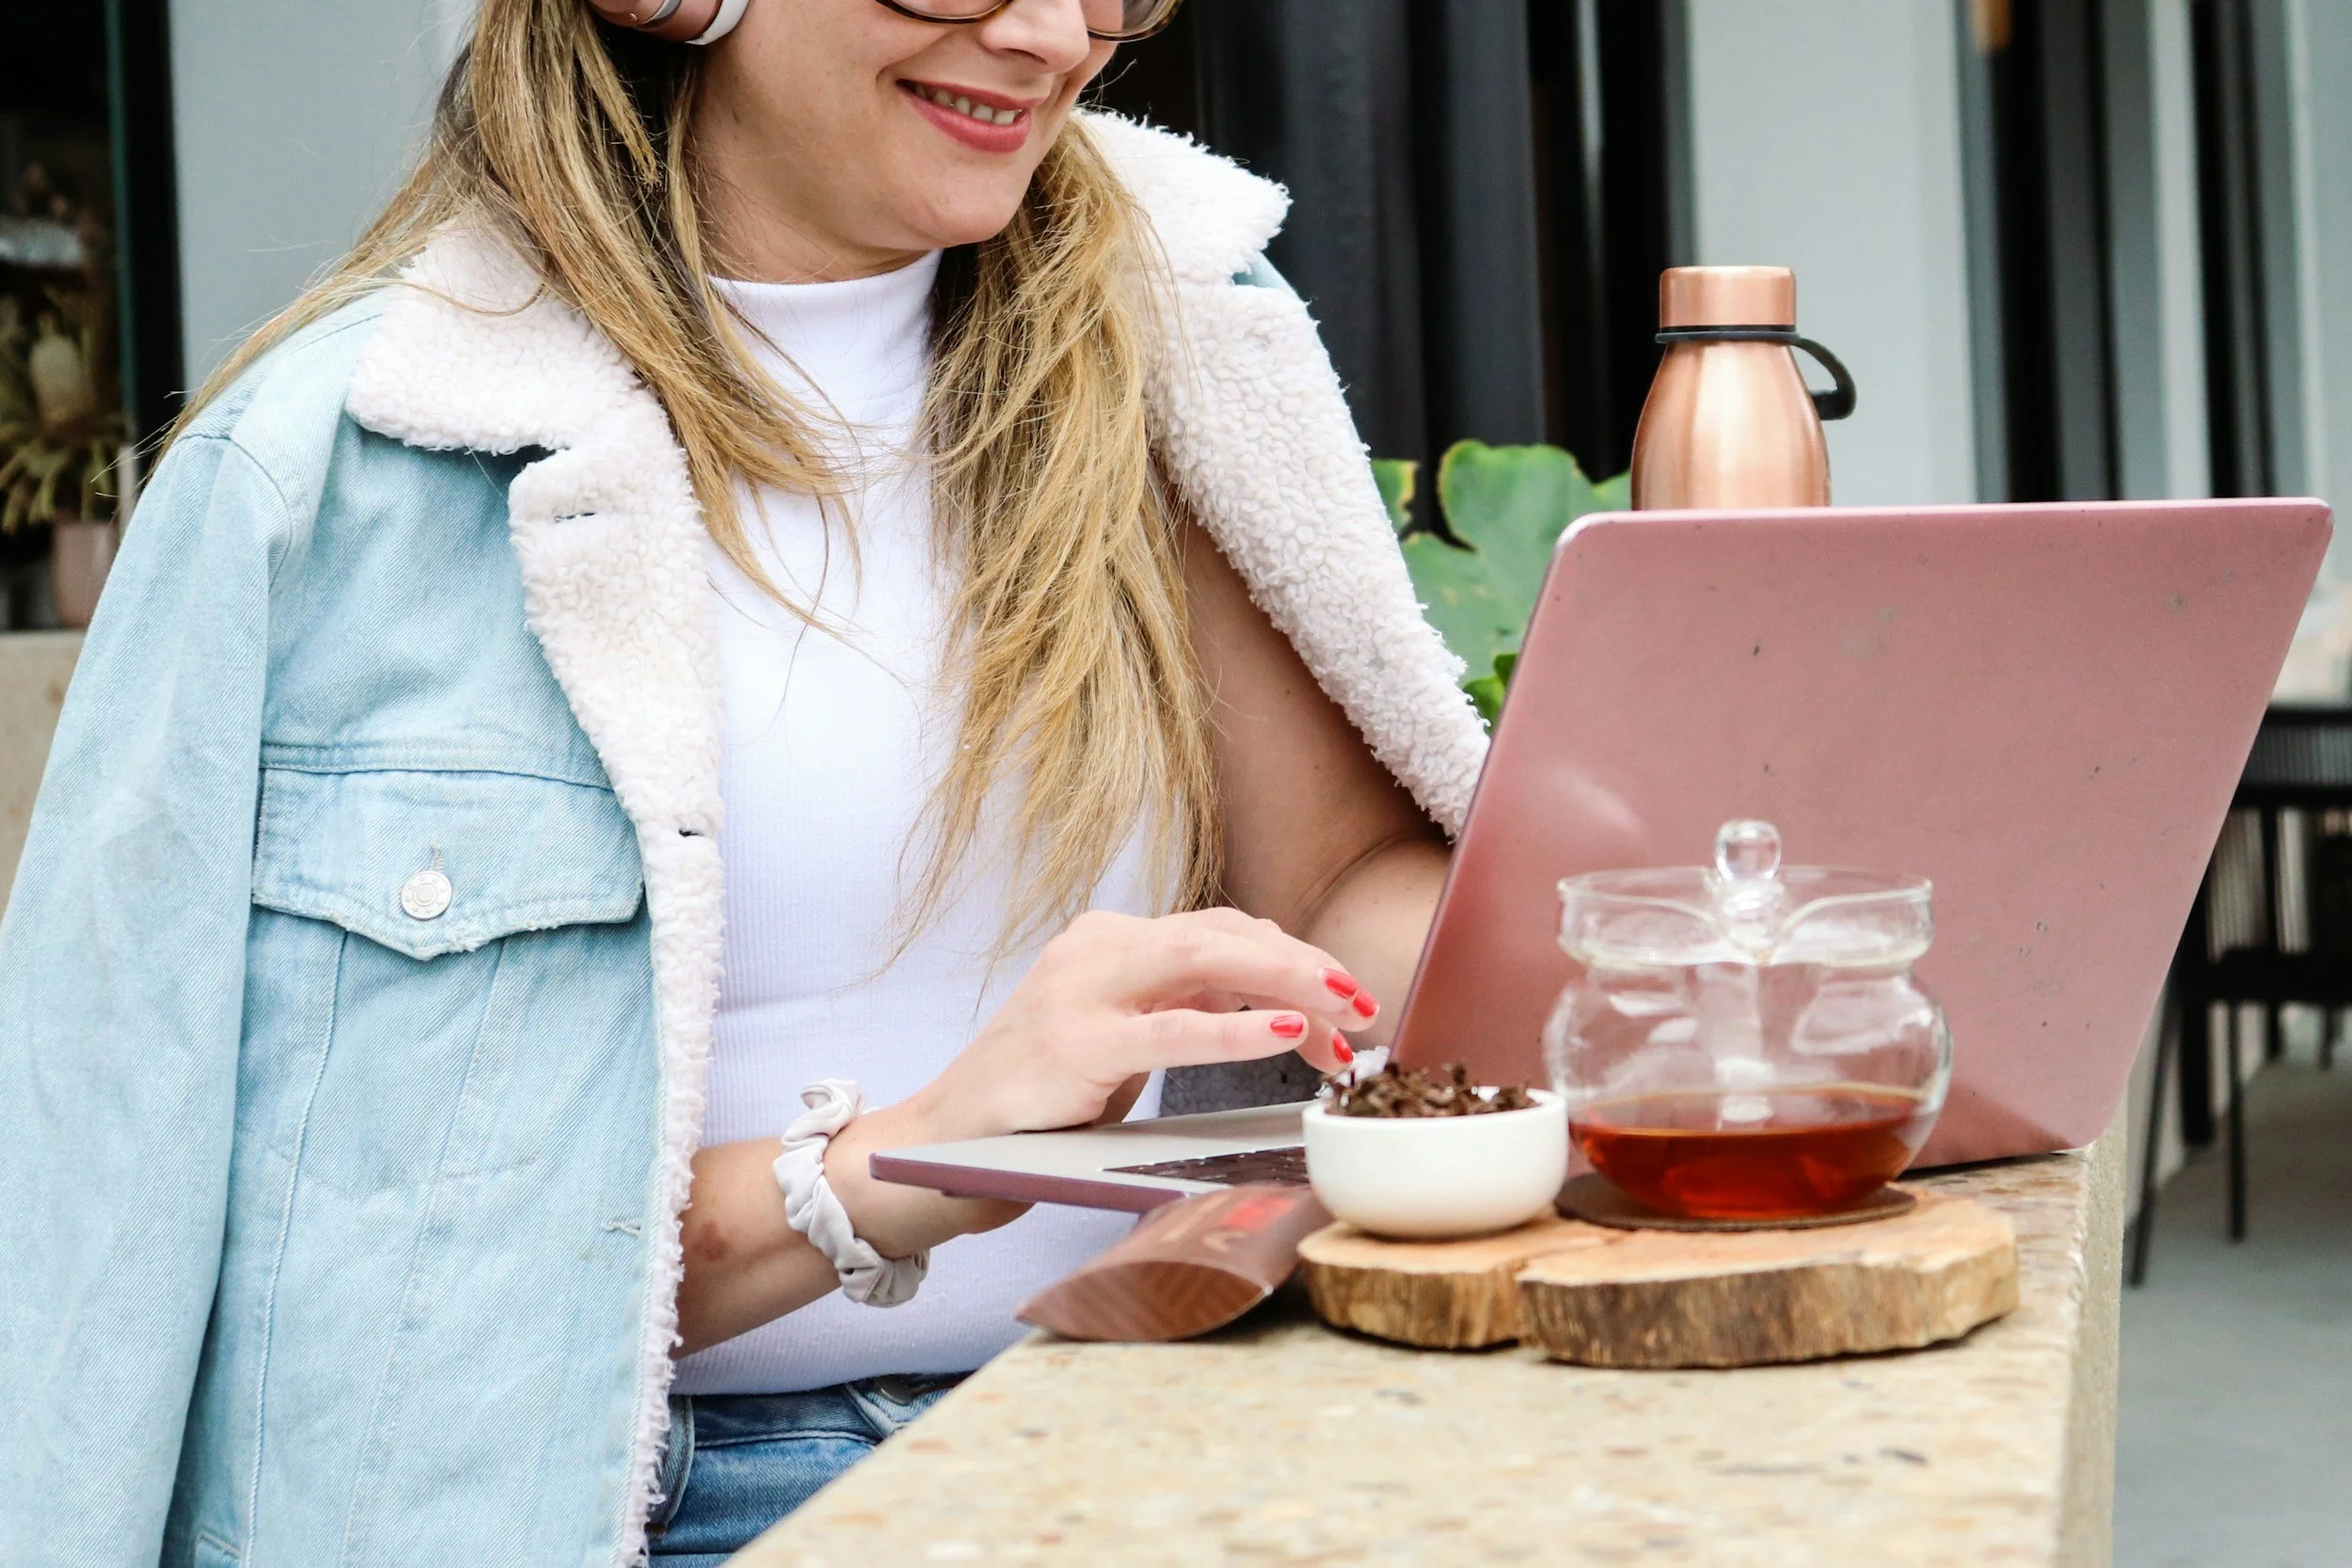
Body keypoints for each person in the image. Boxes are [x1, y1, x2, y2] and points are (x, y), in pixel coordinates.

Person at [0, 0, 1487, 1563]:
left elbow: (1332, 893)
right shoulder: (327, 476)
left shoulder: (1178, 339)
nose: (1056, 35)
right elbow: (152, 1259)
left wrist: (1621, 922)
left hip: (1136, 1429)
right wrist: (911, 1151)